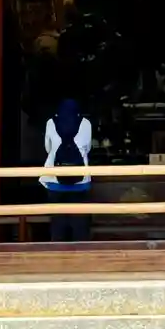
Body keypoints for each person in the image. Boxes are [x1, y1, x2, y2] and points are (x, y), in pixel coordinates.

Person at [40, 96, 92, 241]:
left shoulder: (51, 122)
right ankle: (80, 251)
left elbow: (48, 148)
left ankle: (57, 250)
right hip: (80, 181)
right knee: (80, 224)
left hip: (54, 181)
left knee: (57, 224)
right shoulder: (86, 123)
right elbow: (87, 148)